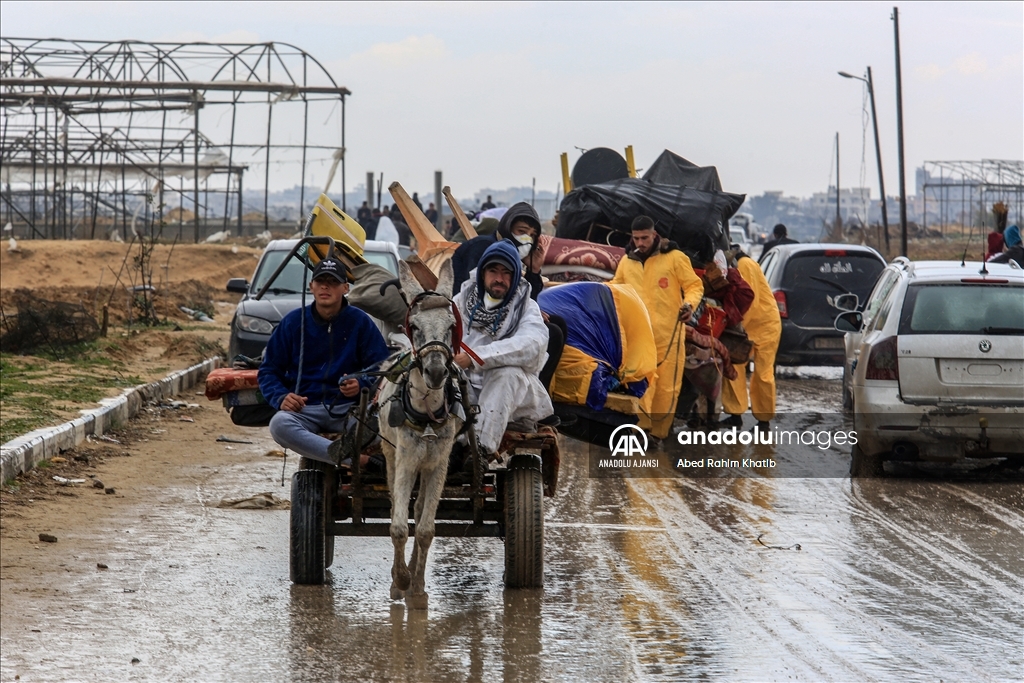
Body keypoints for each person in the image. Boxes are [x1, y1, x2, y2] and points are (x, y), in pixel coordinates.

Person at [258, 257, 390, 465]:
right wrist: (281, 397)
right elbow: (268, 370)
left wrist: (360, 383)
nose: (325, 286)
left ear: (345, 288)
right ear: (312, 286)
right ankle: (355, 461)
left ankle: (341, 455)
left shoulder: (361, 322)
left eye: (333, 281)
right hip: (304, 410)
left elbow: (383, 368)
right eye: (320, 281)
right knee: (279, 424)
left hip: (350, 411)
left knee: (385, 424)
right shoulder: (292, 323)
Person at [453, 240, 553, 458]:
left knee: (505, 373)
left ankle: (479, 451)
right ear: (482, 273)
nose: (499, 278)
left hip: (512, 396)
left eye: (506, 272)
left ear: (516, 275)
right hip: (465, 388)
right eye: (493, 270)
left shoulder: (527, 307)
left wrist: (476, 357)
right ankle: (453, 447)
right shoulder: (459, 303)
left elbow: (532, 345)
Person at [451, 202, 565, 389]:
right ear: (507, 227)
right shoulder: (485, 248)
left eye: (532, 235)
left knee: (557, 324)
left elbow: (520, 295)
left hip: (499, 308)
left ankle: (540, 390)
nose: (527, 238)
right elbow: (479, 293)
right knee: (552, 332)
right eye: (521, 231)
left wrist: (534, 271)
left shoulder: (513, 257)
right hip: (474, 319)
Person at [610, 216, 704, 439]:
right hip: (638, 335)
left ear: (654, 235)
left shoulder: (674, 258)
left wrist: (688, 305)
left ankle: (660, 432)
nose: (640, 243)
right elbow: (615, 287)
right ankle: (641, 429)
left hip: (668, 335)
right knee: (639, 382)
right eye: (636, 238)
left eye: (644, 238)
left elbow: (694, 286)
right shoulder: (627, 262)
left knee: (667, 388)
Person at [721, 248, 782, 431]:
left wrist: (733, 325)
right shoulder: (742, 265)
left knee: (763, 373)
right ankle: (735, 415)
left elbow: (749, 300)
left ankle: (763, 421)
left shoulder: (745, 265)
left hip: (764, 326)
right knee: (733, 368)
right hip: (749, 324)